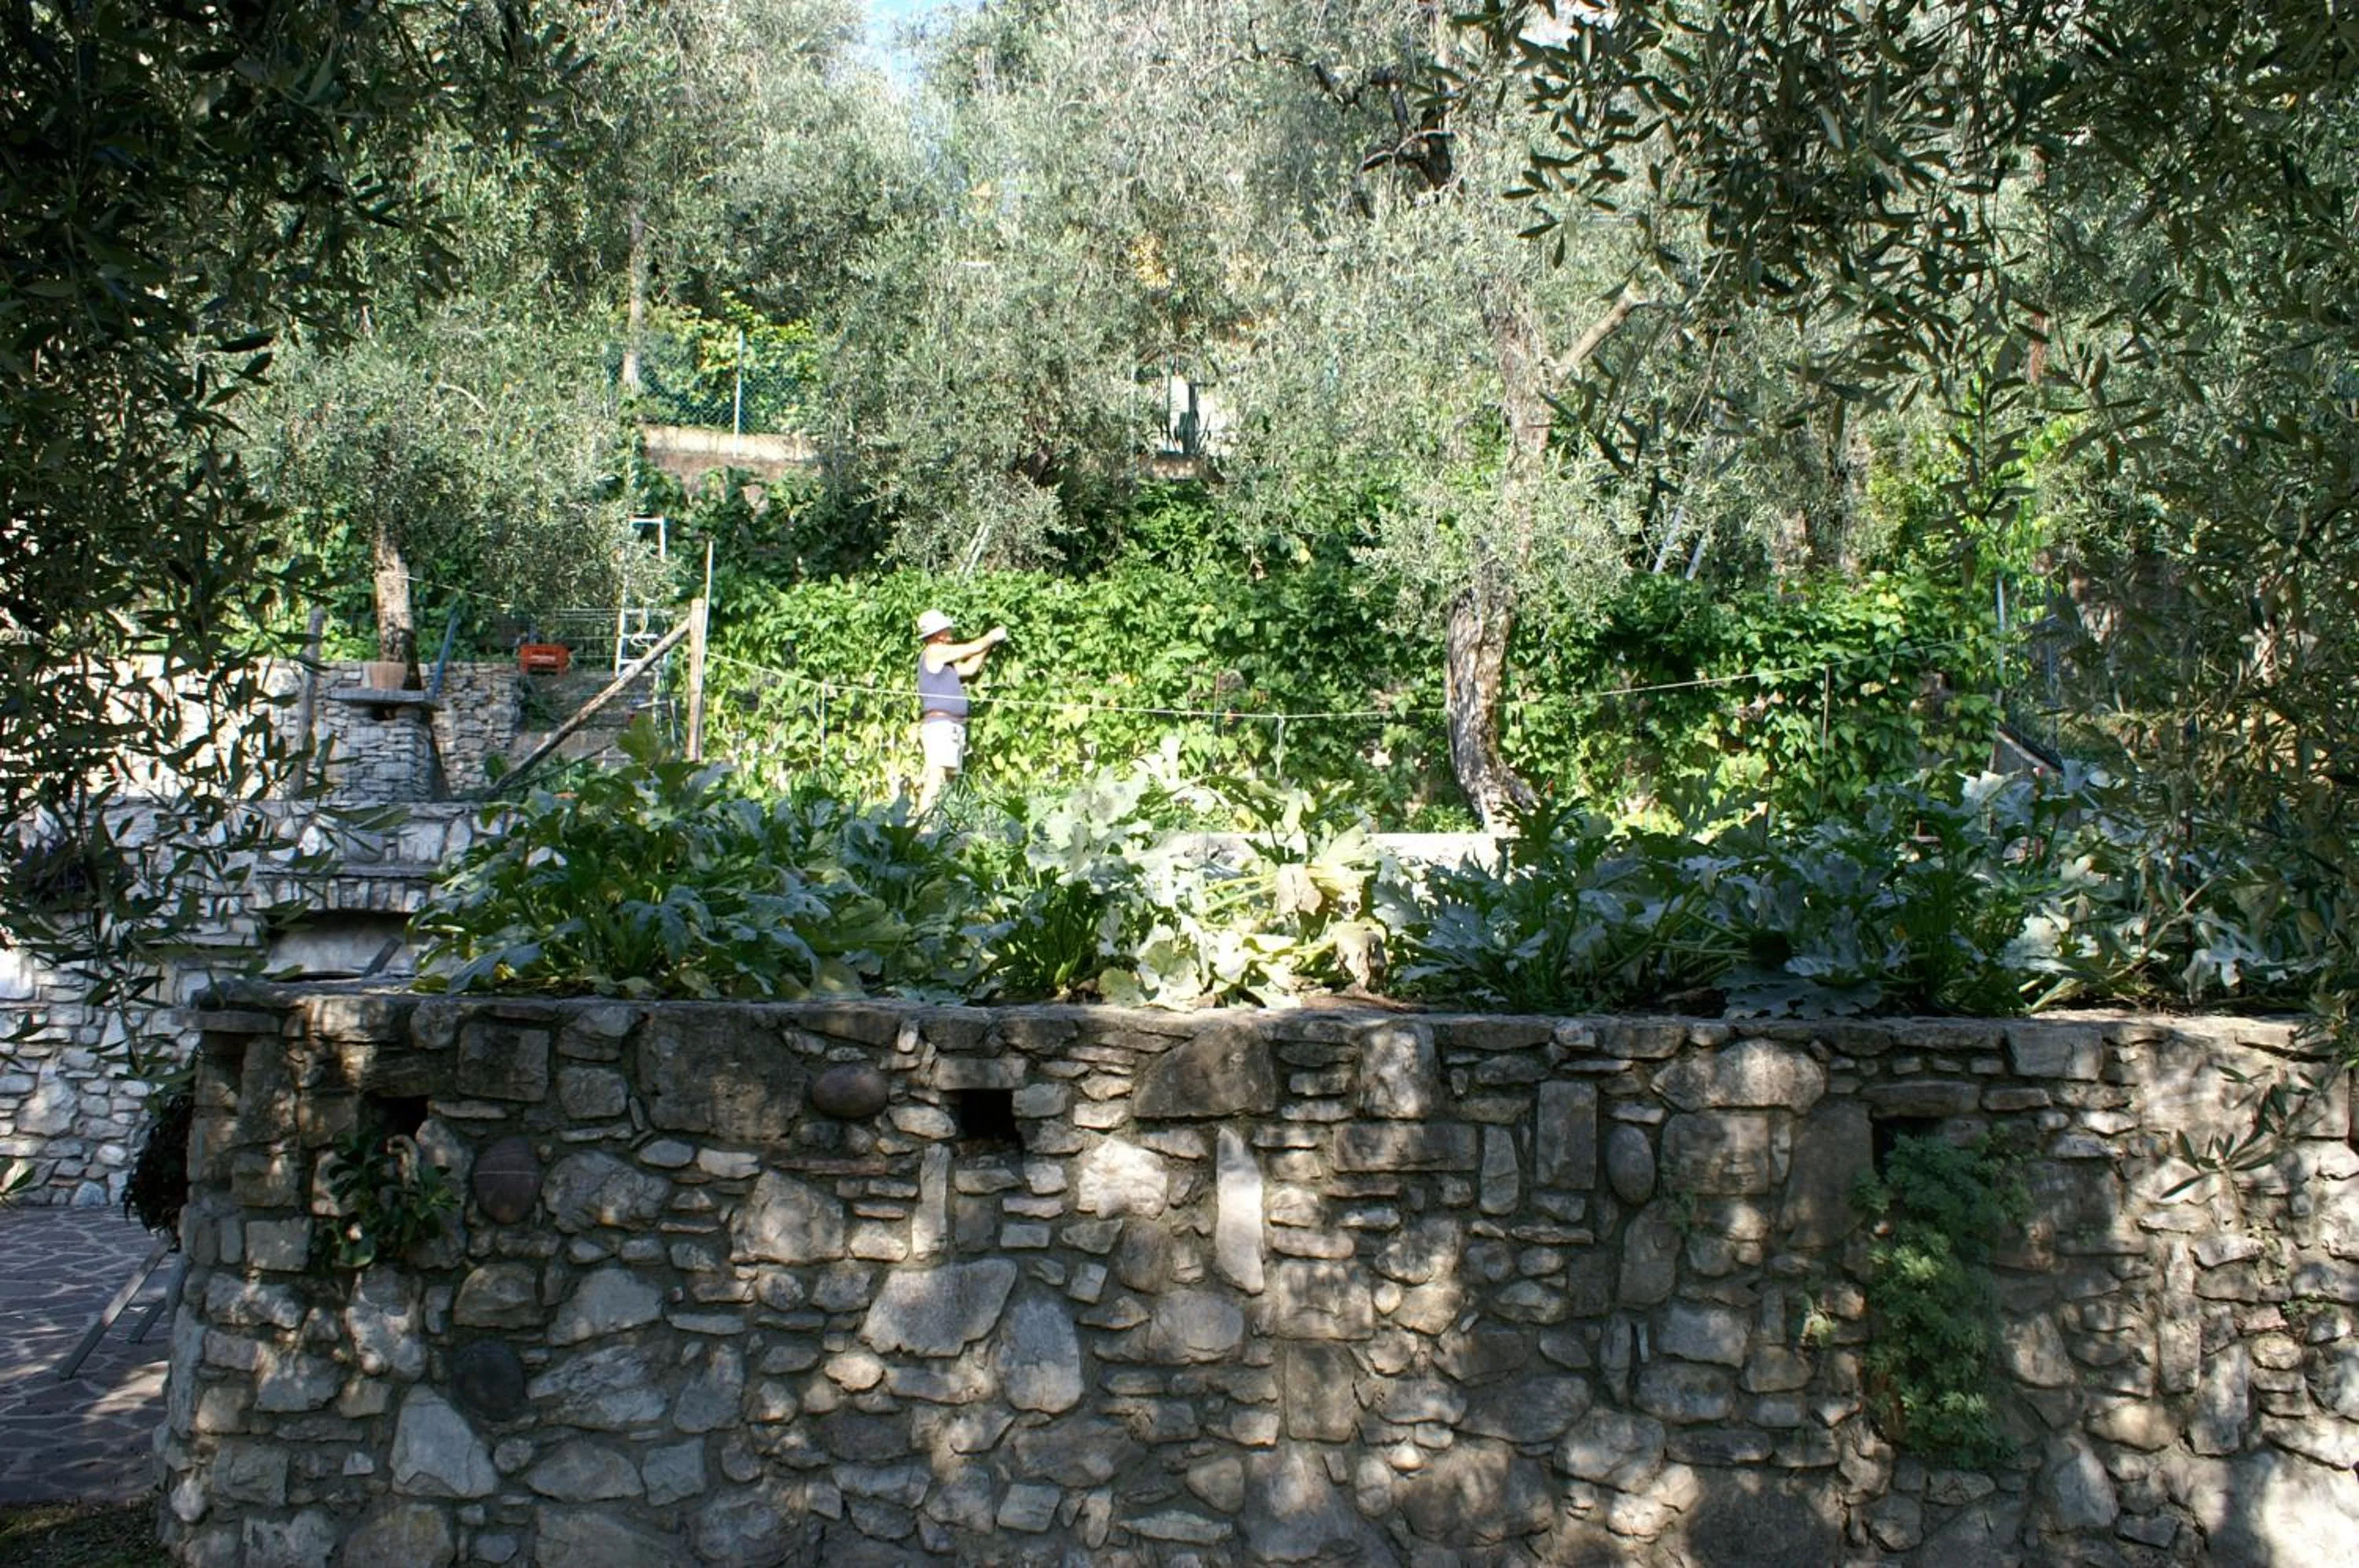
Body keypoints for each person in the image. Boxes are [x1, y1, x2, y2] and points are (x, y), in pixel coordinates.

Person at [913, 609, 1007, 812]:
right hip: (940, 726)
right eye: (947, 628)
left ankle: (935, 826)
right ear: (939, 633)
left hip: (951, 726)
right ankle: (922, 828)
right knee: (936, 776)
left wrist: (988, 645)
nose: (951, 630)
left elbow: (970, 669)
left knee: (946, 779)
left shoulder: (944, 660)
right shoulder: (934, 651)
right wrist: (992, 635)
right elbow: (970, 648)